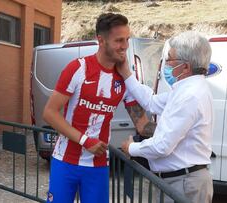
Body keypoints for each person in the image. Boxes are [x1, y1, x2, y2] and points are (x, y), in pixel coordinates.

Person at [42, 13, 155, 203]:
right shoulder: (77, 68)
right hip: (65, 161)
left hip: (98, 165)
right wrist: (86, 141)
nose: (125, 46)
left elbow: (142, 125)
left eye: (127, 39)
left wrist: (176, 130)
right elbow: (49, 113)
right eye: (119, 40)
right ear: (101, 40)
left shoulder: (124, 77)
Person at [117, 31, 214, 203]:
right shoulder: (185, 89)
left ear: (185, 67)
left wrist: (132, 148)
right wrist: (126, 74)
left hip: (184, 183)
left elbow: (162, 146)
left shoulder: (189, 96)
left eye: (170, 59)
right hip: (180, 180)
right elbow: (151, 102)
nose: (166, 64)